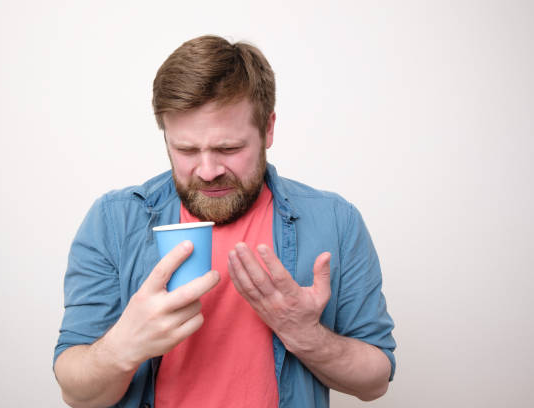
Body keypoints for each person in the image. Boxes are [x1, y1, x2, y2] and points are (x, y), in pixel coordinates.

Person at [53, 35, 396, 408]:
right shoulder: (113, 222)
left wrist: (306, 336)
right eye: (185, 149)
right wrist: (122, 347)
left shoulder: (335, 221)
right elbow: (76, 392)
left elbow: (375, 381)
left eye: (228, 149)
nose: (208, 170)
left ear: (268, 129)